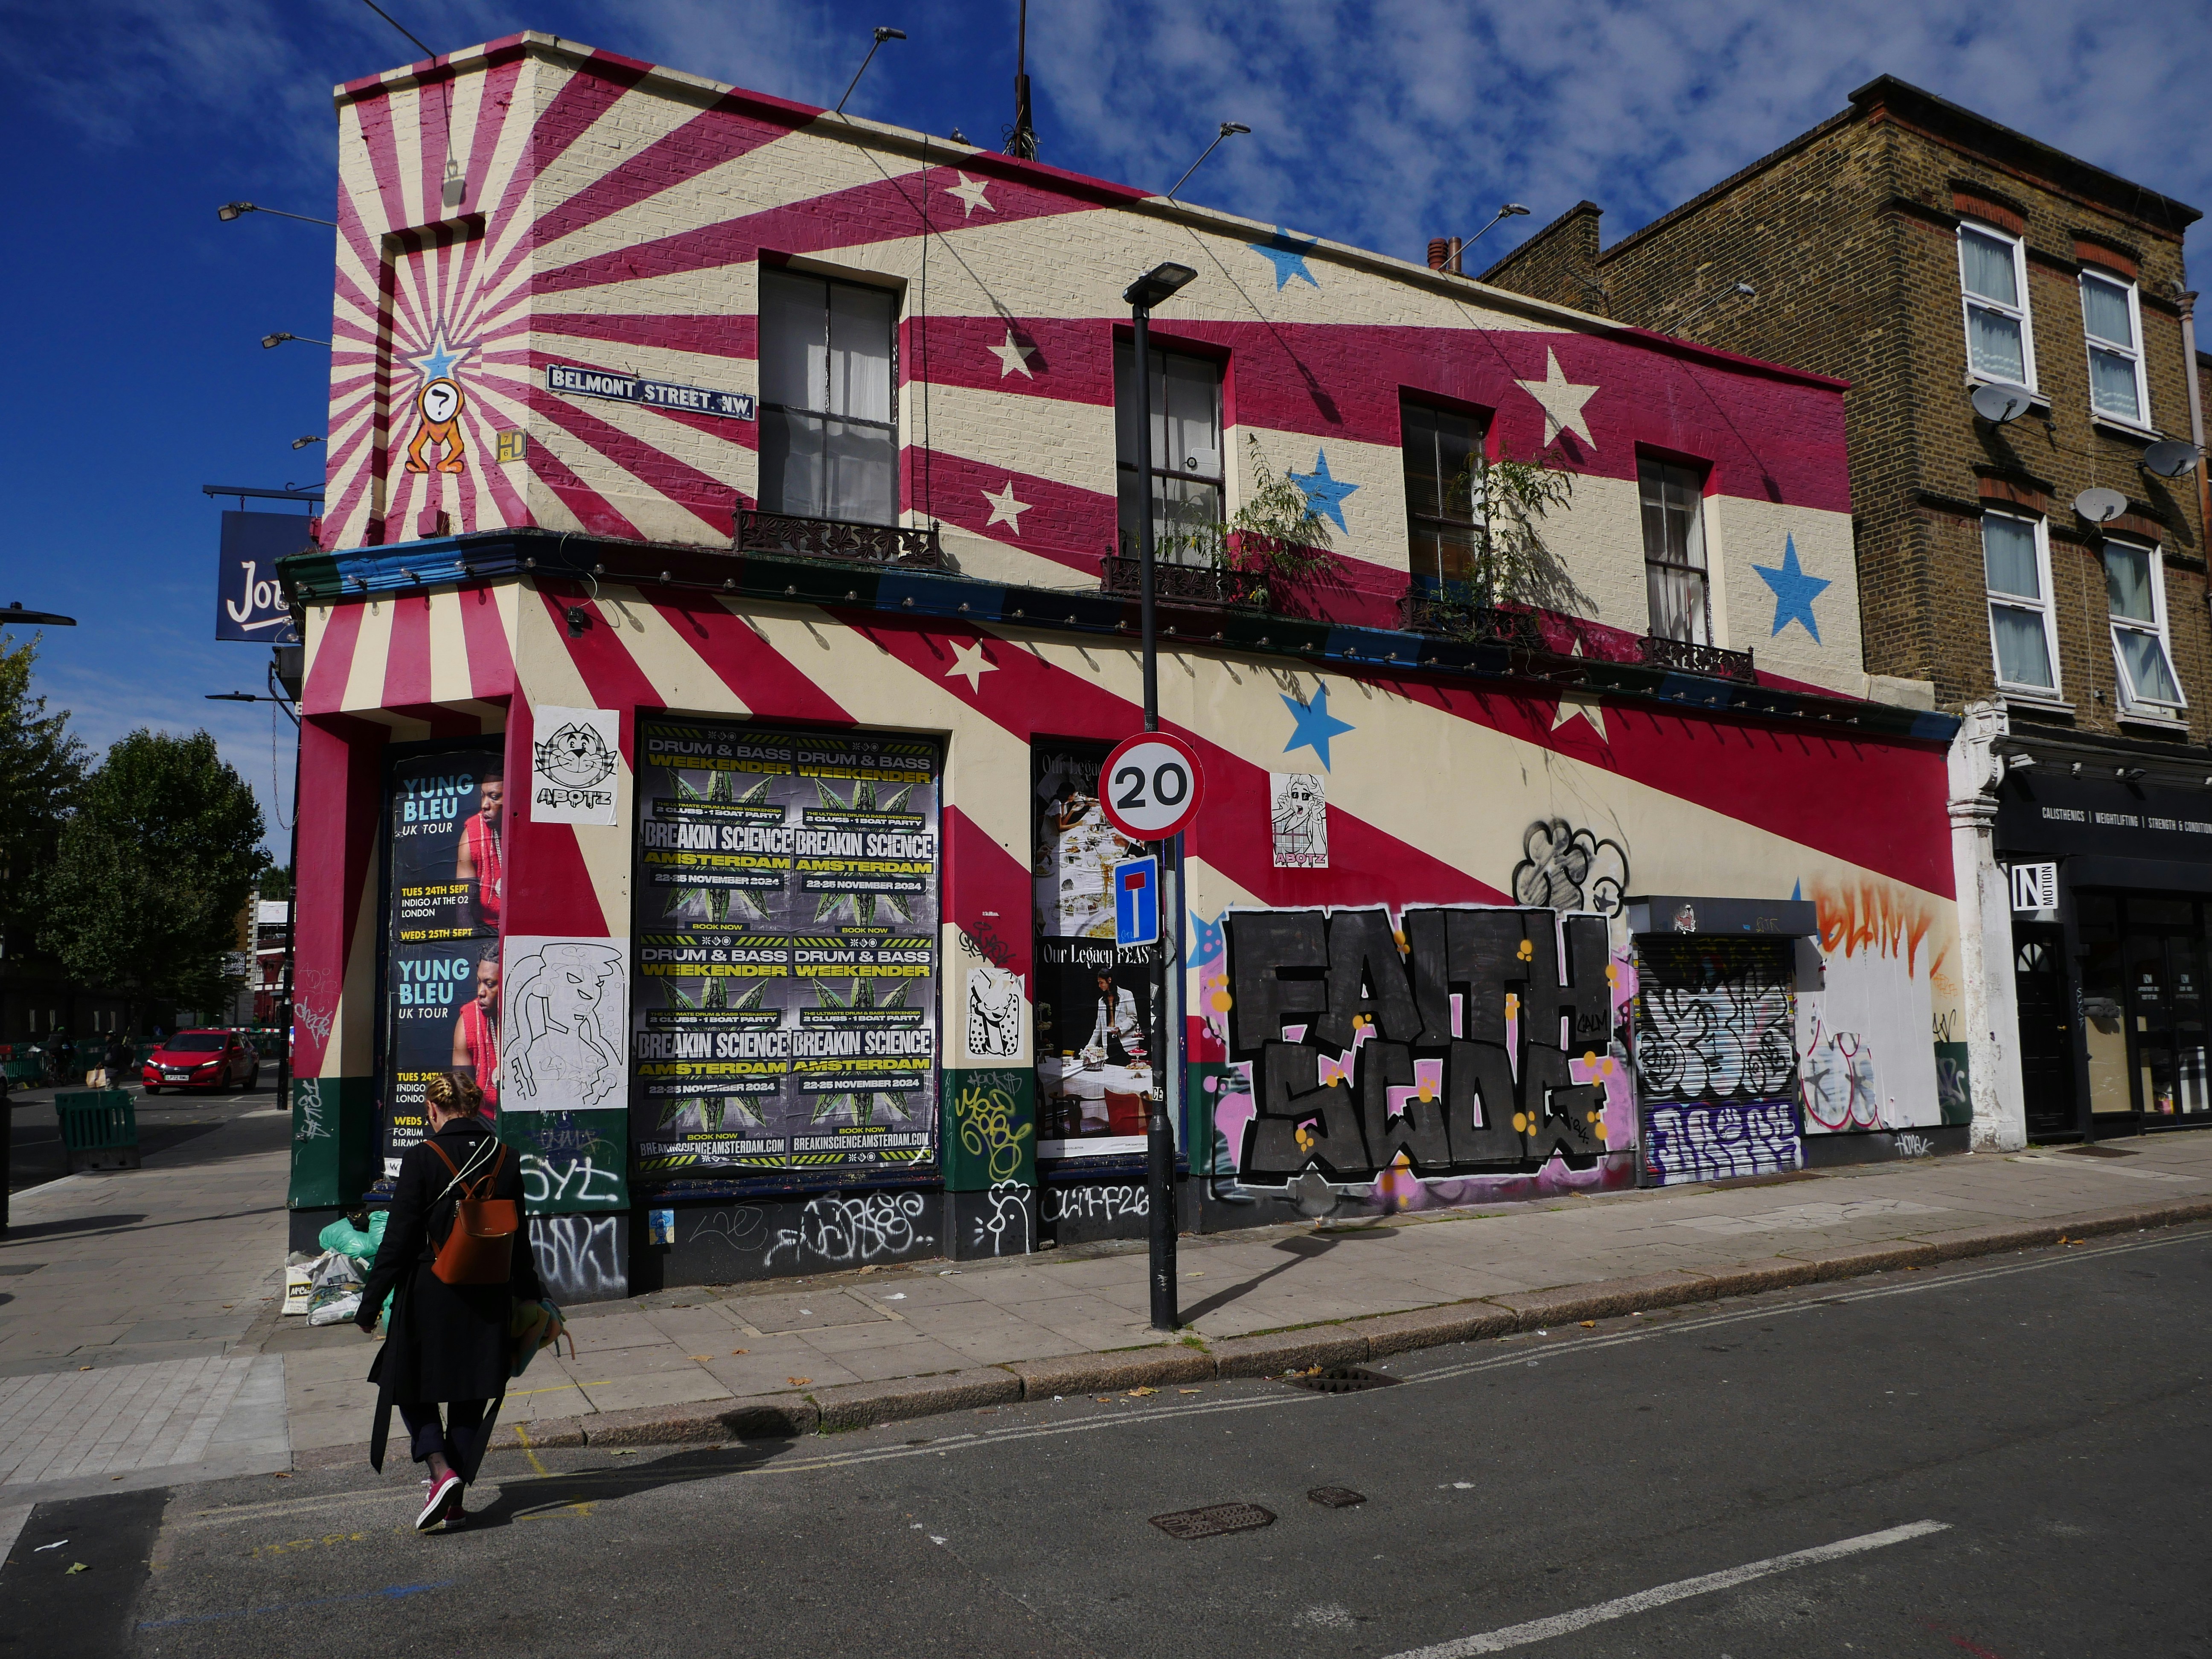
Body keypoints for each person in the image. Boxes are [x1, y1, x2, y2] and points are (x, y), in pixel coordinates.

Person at [357, 1071, 544, 1531]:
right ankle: (454, 1499)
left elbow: (398, 1241)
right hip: (490, 1292)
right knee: (471, 1391)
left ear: (433, 1109)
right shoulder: (507, 1157)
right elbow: (520, 1241)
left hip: (431, 1289)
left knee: (401, 1379)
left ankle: (440, 1470)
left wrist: (370, 1303)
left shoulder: (423, 1157)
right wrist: (533, 1296)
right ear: (478, 1108)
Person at [454, 764, 504, 932]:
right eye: (483, 796)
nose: (484, 805)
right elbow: (464, 913)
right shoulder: (473, 833)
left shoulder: (538, 832)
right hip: (489, 933)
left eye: (494, 797)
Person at [451, 948, 501, 1115]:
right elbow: (462, 1090)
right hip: (483, 1119)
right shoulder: (469, 1019)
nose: (481, 992)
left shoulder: (537, 1017)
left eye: (490, 984)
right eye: (479, 982)